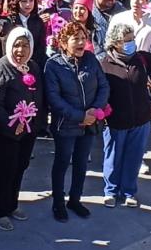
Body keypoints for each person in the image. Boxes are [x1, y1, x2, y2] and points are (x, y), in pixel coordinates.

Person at [100, 22, 151, 208]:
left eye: (132, 39)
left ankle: (128, 191)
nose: (132, 42)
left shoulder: (141, 58)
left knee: (134, 158)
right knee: (113, 157)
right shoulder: (104, 64)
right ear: (115, 43)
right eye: (127, 40)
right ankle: (110, 191)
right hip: (116, 122)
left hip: (141, 119)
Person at [44, 21, 110, 222]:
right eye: (76, 39)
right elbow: (54, 100)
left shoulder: (90, 59)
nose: (82, 42)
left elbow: (104, 86)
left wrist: (94, 110)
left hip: (89, 124)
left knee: (81, 164)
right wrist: (80, 116)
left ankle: (75, 199)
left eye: (83, 38)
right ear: (64, 43)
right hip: (66, 125)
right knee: (62, 163)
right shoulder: (54, 65)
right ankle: (58, 202)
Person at [0, 27, 44, 230]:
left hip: (27, 130)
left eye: (25, 45)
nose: (20, 50)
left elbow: (38, 96)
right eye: (16, 45)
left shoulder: (32, 67)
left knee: (20, 167)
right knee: (5, 171)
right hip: (5, 133)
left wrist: (34, 124)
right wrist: (11, 124)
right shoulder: (1, 69)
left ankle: (12, 204)